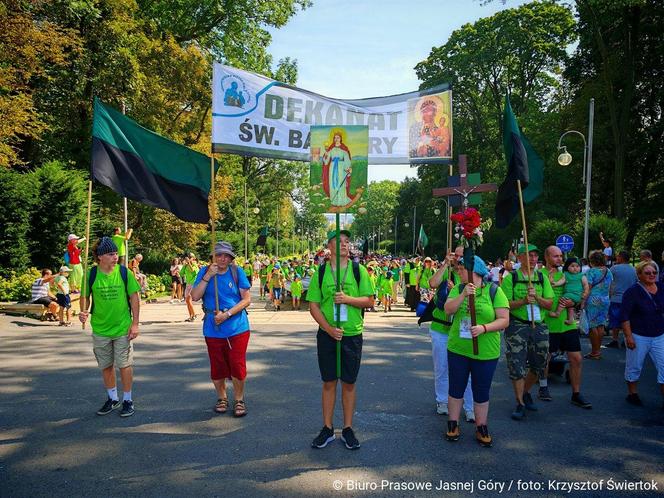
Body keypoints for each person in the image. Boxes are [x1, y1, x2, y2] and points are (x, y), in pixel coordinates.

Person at [307, 230, 374, 450]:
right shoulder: (322, 271)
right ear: (330, 246)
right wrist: (327, 329)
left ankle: (347, 428)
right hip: (328, 335)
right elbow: (314, 305)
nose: (345, 245)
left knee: (349, 382)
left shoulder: (358, 270)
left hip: (351, 334)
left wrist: (348, 299)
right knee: (328, 382)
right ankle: (327, 428)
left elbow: (369, 301)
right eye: (339, 242)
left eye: (347, 241)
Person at [443, 256, 509, 446]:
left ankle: (481, 426)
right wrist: (463, 295)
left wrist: (484, 328)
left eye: (462, 269)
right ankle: (453, 423)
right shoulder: (457, 288)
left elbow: (504, 319)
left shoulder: (494, 291)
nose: (458, 272)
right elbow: (448, 309)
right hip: (458, 348)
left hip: (486, 351)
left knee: (481, 389)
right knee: (456, 387)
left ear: (475, 271)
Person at [79, 237, 141, 418]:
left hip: (122, 327)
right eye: (110, 254)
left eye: (115, 253)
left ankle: (128, 400)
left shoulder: (124, 273)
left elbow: (134, 298)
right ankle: (112, 398)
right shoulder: (90, 274)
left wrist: (135, 324)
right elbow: (85, 298)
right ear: (100, 257)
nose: (115, 257)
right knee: (106, 365)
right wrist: (83, 311)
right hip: (100, 328)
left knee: (125, 365)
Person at [190, 241, 252, 417]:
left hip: (236, 326)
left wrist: (228, 314)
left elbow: (246, 300)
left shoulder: (236, 271)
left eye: (226, 255)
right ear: (213, 257)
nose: (222, 258)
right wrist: (208, 275)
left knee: (237, 364)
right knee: (217, 365)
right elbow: (194, 296)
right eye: (219, 255)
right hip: (212, 327)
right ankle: (222, 397)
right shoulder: (204, 272)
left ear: (231, 258)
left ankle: (239, 399)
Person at [501, 244, 553, 421]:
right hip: (517, 325)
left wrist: (537, 297)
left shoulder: (542, 277)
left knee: (540, 363)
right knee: (516, 363)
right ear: (520, 258)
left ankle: (525, 392)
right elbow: (505, 304)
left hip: (539, 325)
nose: (532, 259)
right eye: (528, 255)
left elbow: (550, 303)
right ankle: (520, 403)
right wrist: (523, 301)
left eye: (535, 256)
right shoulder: (511, 278)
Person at [540, 246, 592, 408]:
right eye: (555, 256)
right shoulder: (538, 275)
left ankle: (576, 394)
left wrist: (574, 302)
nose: (559, 259)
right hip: (547, 322)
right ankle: (543, 387)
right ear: (547, 257)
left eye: (560, 256)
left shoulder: (567, 274)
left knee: (576, 358)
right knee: (545, 358)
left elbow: (578, 292)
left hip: (567, 324)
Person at [428, 247, 475, 421]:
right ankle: (442, 401)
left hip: (462, 329)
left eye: (462, 256)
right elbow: (432, 284)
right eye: (456, 255)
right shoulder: (446, 272)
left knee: (468, 370)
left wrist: (456, 289)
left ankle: (470, 407)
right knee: (442, 367)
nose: (459, 259)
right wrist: (445, 264)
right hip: (441, 328)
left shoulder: (471, 276)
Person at [620, 261, 664, 408]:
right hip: (639, 335)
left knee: (663, 366)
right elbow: (625, 316)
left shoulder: (662, 288)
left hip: (659, 335)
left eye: (654, 273)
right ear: (639, 275)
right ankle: (632, 394)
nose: (652, 275)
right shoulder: (632, 292)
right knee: (635, 366)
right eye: (648, 273)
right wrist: (628, 336)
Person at [583, 250, 613, 360]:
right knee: (600, 325)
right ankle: (598, 351)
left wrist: (582, 302)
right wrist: (608, 298)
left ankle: (594, 352)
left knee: (592, 326)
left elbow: (588, 288)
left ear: (592, 260)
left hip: (593, 300)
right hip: (605, 299)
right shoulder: (608, 271)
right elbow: (611, 288)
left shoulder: (591, 272)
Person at [607, 251, 637, 349]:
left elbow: (608, 282)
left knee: (615, 319)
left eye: (618, 256)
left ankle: (615, 340)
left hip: (616, 298)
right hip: (630, 299)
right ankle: (626, 339)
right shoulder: (634, 269)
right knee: (628, 319)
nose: (616, 258)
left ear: (621, 257)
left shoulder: (614, 269)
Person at [548, 257, 589, 325]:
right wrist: (555, 283)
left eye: (577, 266)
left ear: (580, 267)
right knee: (570, 307)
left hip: (576, 295)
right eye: (572, 266)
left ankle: (557, 313)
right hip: (571, 295)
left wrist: (585, 294)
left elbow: (586, 286)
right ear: (567, 267)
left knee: (563, 299)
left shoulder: (582, 276)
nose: (575, 268)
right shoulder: (566, 274)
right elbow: (561, 281)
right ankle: (570, 319)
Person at [321, 131, 353, 207]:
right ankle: (334, 200)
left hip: (341, 168)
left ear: (341, 138)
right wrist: (325, 155)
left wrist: (348, 169)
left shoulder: (344, 150)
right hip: (332, 168)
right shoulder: (331, 150)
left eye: (338, 137)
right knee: (333, 183)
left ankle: (341, 200)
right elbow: (326, 162)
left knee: (340, 184)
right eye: (335, 137)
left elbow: (347, 160)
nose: (336, 139)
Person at [181, 255, 200, 322]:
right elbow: (181, 274)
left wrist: (189, 263)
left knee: (189, 299)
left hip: (193, 284)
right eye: (188, 257)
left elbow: (193, 271)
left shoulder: (195, 265)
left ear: (193, 258)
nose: (188, 258)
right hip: (188, 284)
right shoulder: (186, 266)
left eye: (190, 257)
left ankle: (194, 315)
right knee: (187, 300)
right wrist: (184, 265)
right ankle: (191, 316)